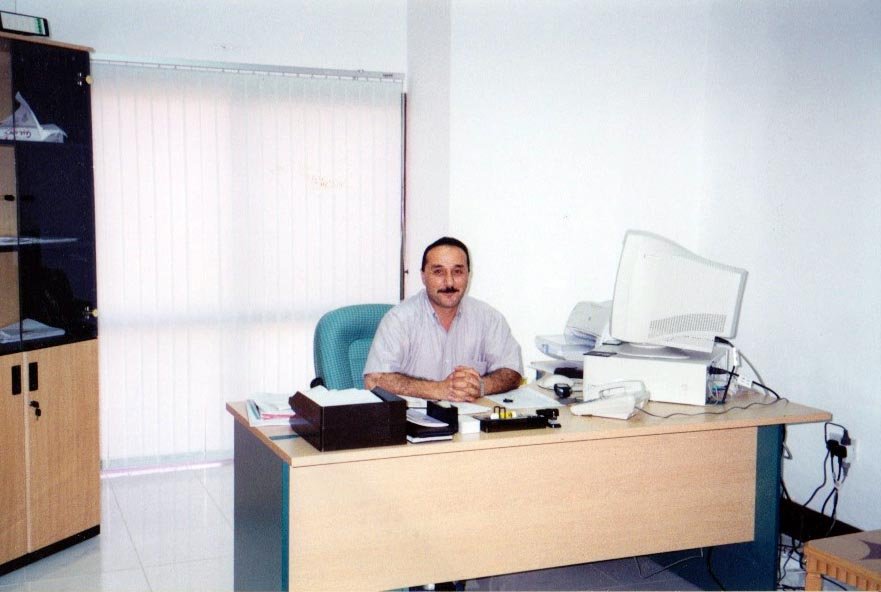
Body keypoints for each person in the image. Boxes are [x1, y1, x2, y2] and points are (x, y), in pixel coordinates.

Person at [363, 236, 523, 401]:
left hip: (473, 415)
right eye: (438, 272)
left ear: (468, 275)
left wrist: (480, 386)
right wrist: (438, 389)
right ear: (423, 276)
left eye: (457, 272)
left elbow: (512, 371)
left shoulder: (489, 318)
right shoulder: (399, 320)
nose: (449, 282)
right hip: (414, 415)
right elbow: (374, 380)